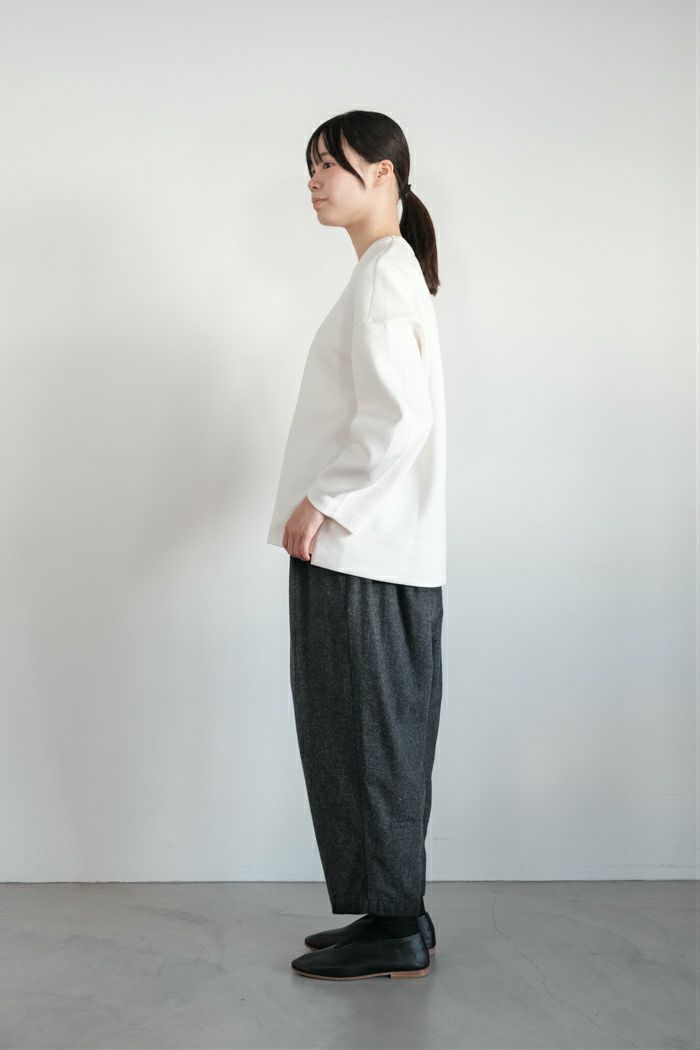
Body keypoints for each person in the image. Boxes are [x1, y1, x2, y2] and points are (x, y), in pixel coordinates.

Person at [266, 109, 446, 980]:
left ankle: (396, 926)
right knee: (373, 734)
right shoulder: (389, 268)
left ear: (383, 174)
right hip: (379, 554)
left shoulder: (383, 275)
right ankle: (393, 908)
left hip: (361, 552)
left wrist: (323, 501)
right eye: (310, 166)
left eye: (330, 164)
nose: (314, 180)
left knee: (363, 735)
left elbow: (399, 419)